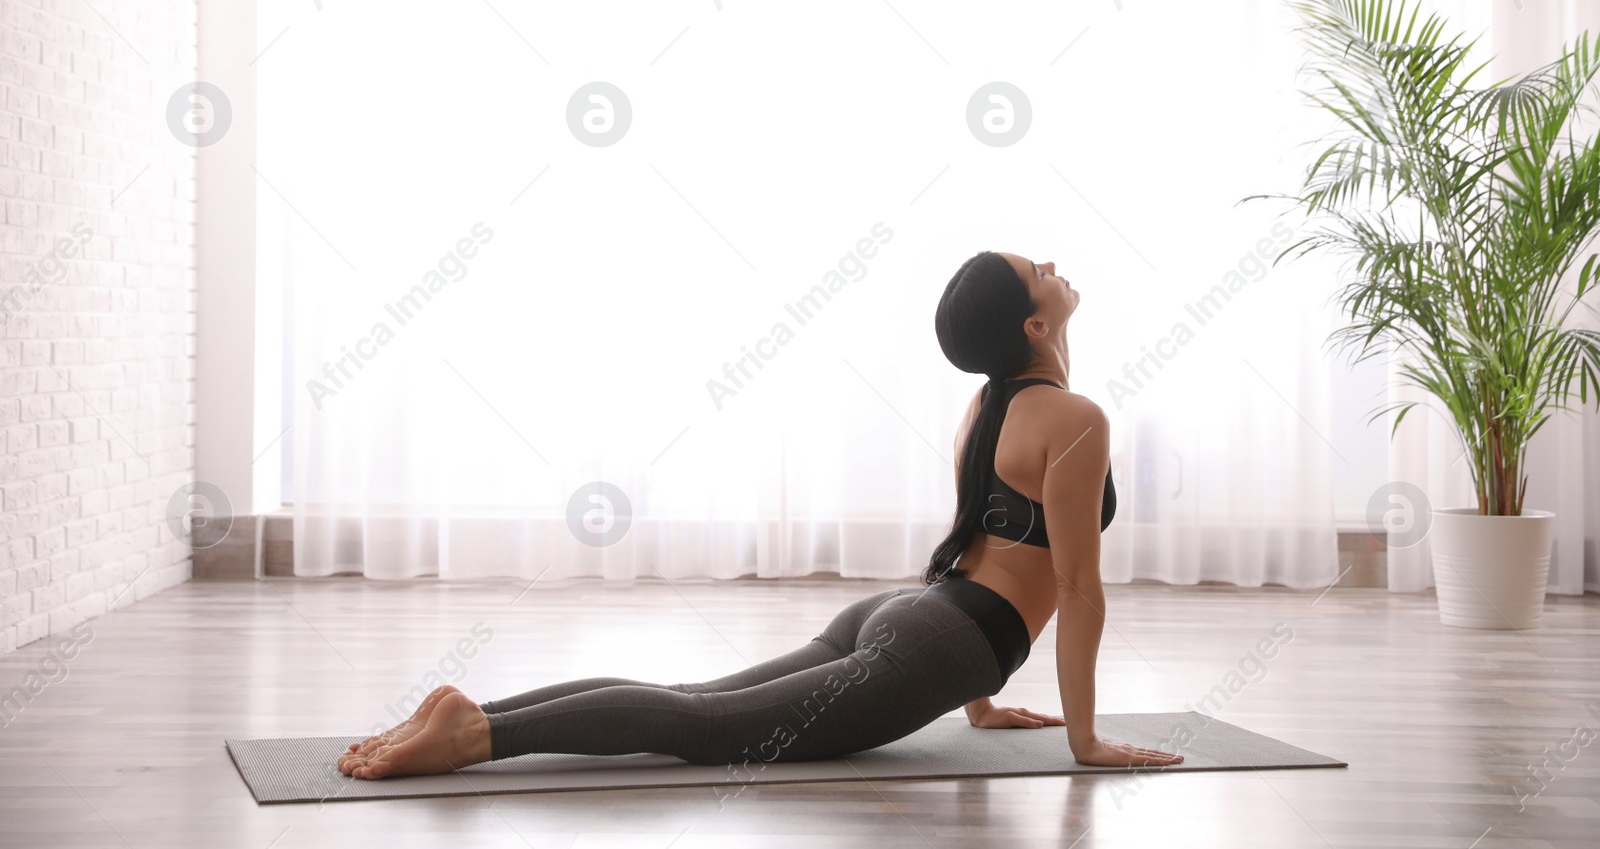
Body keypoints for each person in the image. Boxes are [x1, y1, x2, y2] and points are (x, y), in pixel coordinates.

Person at [338, 250, 1185, 779]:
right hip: (944, 637)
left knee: (691, 697)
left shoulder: (985, 408)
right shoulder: (1076, 422)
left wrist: (980, 700)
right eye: (1037, 268)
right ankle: (474, 735)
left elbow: (988, 538)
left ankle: (474, 712)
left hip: (912, 616)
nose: (1051, 261)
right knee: (707, 727)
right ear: (1037, 323)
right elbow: (1075, 585)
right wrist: (1086, 741)